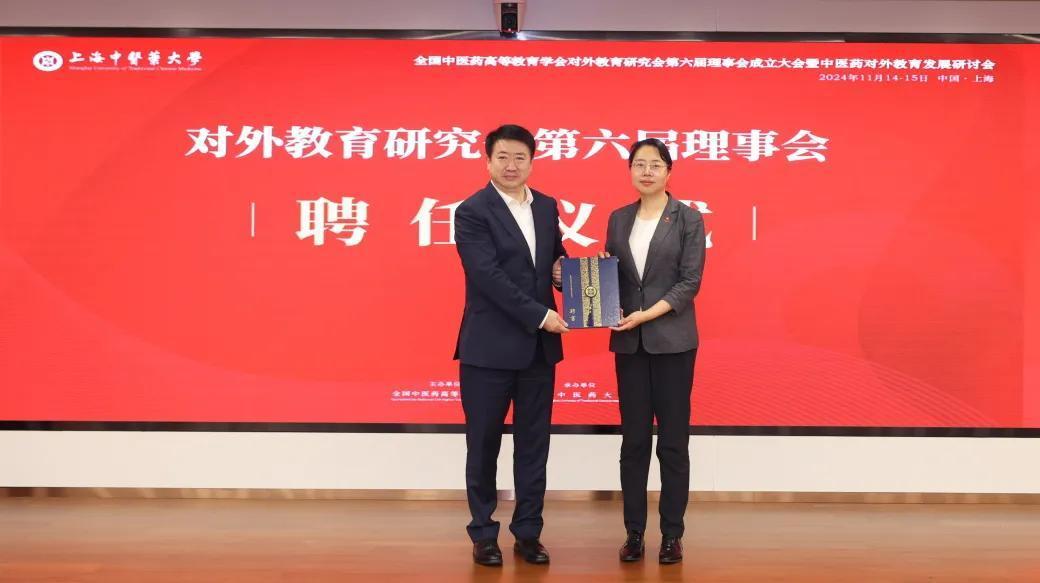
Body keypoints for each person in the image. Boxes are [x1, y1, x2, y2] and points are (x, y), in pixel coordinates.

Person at [453, 124, 569, 567]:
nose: (511, 165)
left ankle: (528, 533)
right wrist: (541, 314)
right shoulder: (472, 211)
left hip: (538, 350)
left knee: (534, 445)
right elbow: (489, 277)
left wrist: (564, 275)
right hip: (488, 351)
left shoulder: (546, 206)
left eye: (520, 157)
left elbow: (554, 257)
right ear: (488, 161)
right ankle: (484, 532)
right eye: (502, 157)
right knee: (483, 444)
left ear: (532, 161)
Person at [602, 138, 706, 564]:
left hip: (673, 343)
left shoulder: (688, 218)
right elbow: (613, 277)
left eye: (655, 165)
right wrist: (598, 291)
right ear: (630, 171)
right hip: (630, 345)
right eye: (639, 164)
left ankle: (671, 534)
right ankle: (634, 533)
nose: (647, 172)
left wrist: (646, 315)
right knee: (634, 442)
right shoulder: (618, 218)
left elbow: (689, 282)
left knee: (673, 443)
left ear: (668, 171)